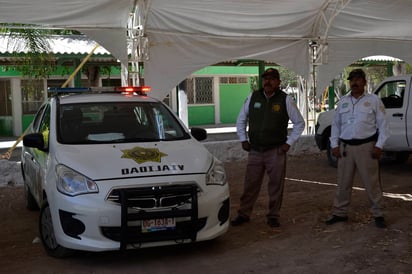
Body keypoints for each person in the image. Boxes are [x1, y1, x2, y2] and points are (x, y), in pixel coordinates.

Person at [231, 68, 305, 227]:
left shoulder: (285, 100)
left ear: (278, 82)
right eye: (266, 79)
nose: (268, 81)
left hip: (276, 151)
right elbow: (241, 120)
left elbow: (300, 123)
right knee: (250, 184)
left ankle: (273, 215)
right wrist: (243, 139)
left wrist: (288, 143)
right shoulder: (253, 97)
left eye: (272, 79)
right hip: (255, 150)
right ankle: (244, 214)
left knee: (276, 184)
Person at [325, 68, 390, 228]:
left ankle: (378, 214)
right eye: (352, 79)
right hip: (346, 147)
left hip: (366, 147)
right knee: (342, 183)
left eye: (358, 79)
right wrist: (334, 145)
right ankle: (340, 213)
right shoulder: (343, 102)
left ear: (364, 82)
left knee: (372, 183)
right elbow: (336, 125)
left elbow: (384, 126)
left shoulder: (374, 100)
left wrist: (379, 145)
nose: (354, 82)